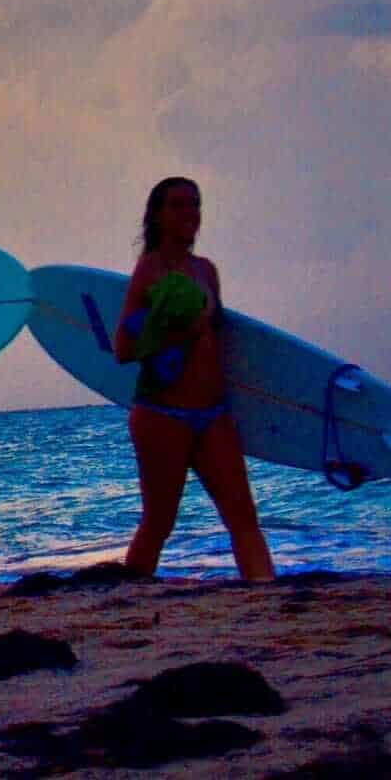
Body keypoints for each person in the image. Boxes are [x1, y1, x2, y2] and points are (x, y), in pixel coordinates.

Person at [113, 176, 275, 582]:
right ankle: (128, 598)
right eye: (179, 205)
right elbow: (123, 348)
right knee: (159, 522)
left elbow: (220, 341)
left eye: (195, 204)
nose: (190, 213)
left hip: (213, 413)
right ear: (157, 215)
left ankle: (266, 594)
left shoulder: (207, 272)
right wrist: (180, 332)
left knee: (243, 516)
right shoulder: (149, 270)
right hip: (162, 413)